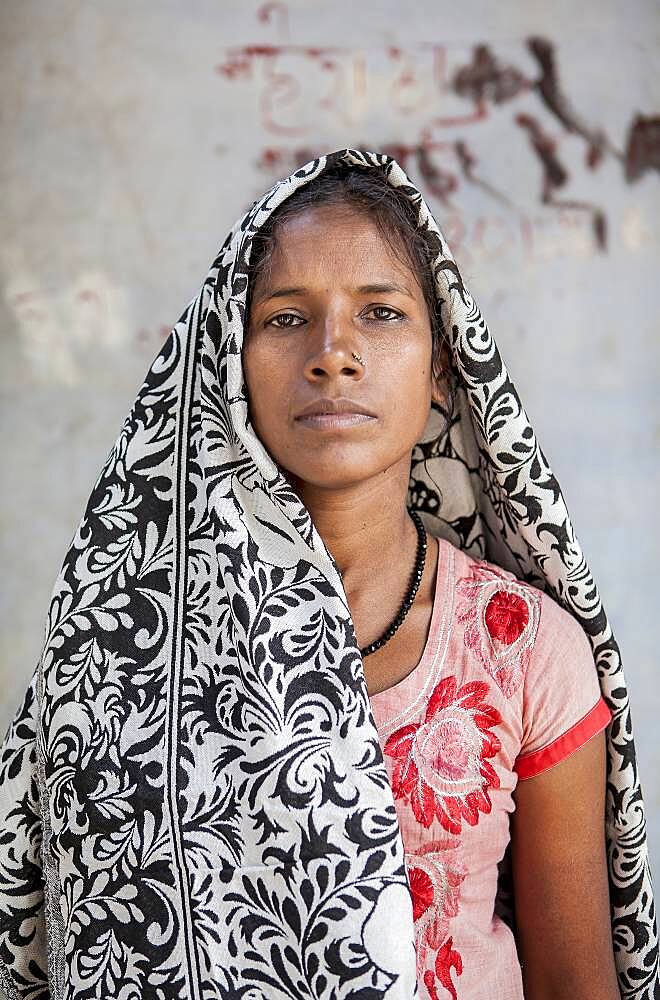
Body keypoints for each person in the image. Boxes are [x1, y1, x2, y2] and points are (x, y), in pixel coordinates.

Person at [0, 149, 656, 1000]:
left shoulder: (526, 651)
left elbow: (576, 984)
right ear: (224, 371)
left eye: (381, 314)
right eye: (284, 320)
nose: (333, 354)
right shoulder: (120, 653)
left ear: (442, 371)